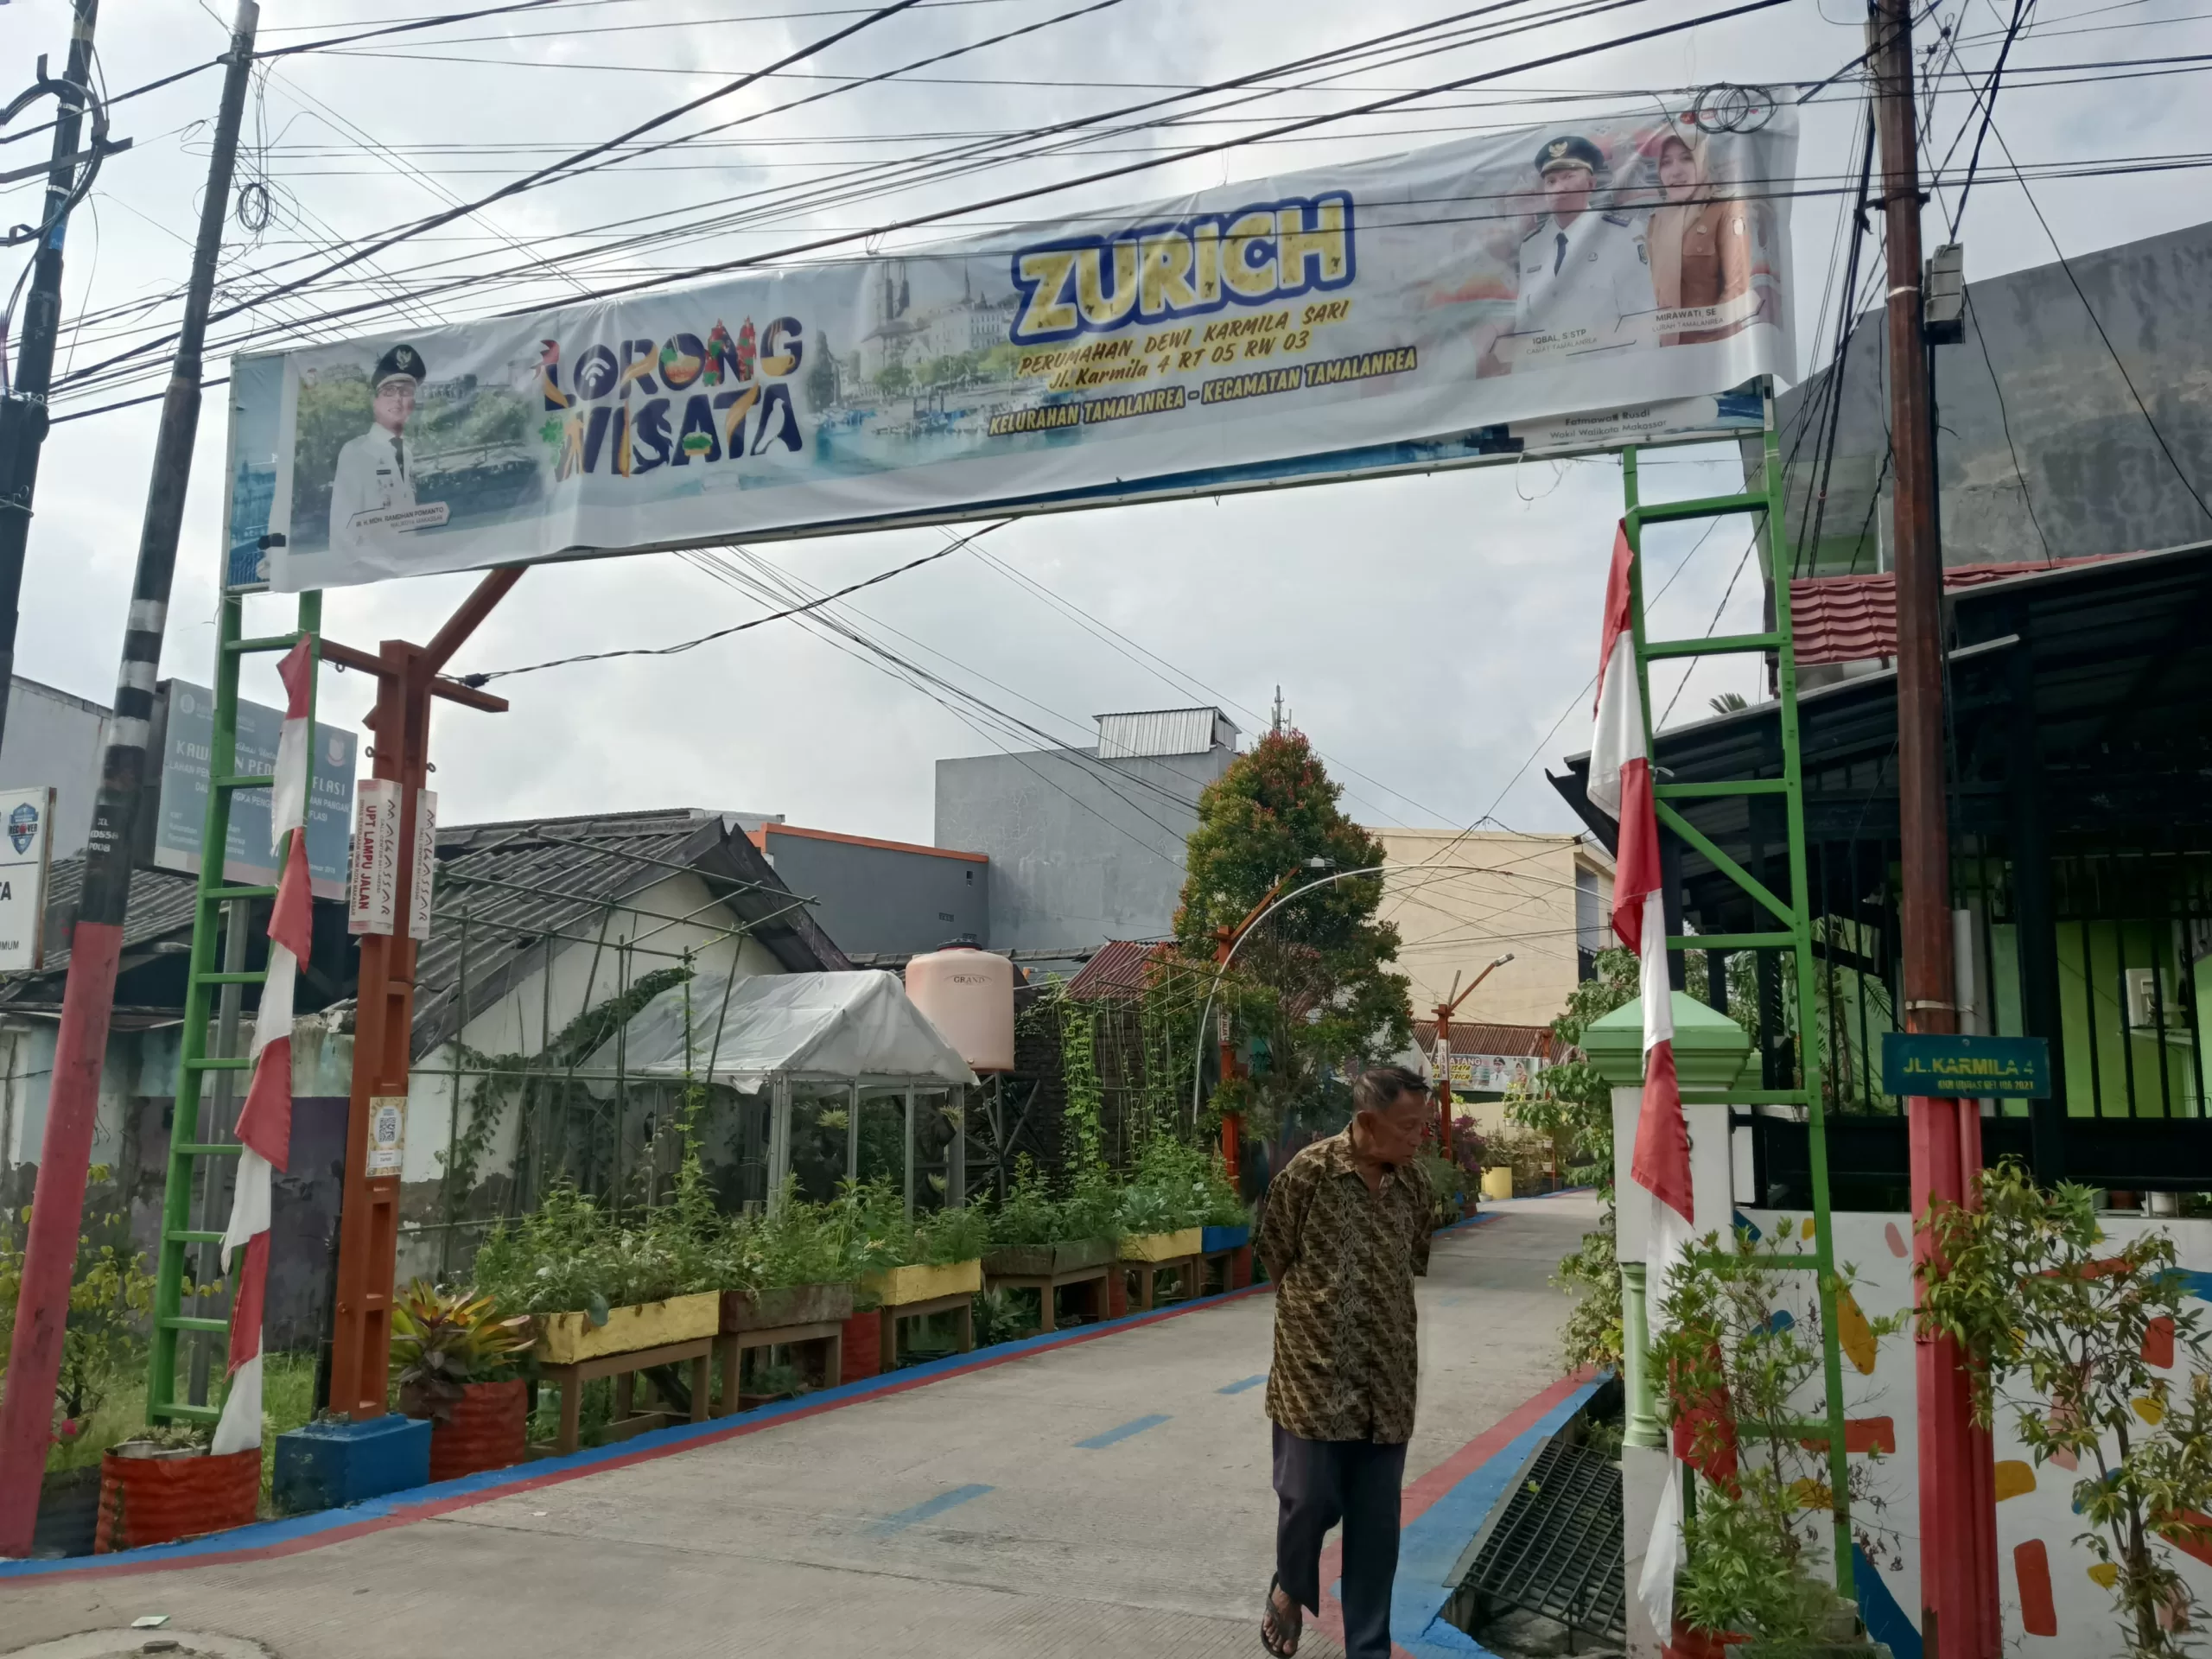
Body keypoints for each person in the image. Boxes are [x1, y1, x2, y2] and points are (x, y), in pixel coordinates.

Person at [1257, 1065, 1434, 1659]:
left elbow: (1412, 1259)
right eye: (1407, 1127)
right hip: (1314, 1372)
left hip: (1387, 1379)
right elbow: (1275, 1255)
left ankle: (1368, 1648)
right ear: (1365, 1122)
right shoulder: (1309, 1173)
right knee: (1307, 1499)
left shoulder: (1415, 1185)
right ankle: (1291, 1583)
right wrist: (1320, 1316)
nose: (1418, 1139)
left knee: (1375, 1526)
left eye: (1423, 1127)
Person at [1507, 135, 1657, 359]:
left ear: (1591, 184)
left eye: (1569, 176)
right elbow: (1524, 326)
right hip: (1547, 380)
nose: (1560, 187)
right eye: (1551, 181)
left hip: (1606, 377)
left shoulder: (1623, 234)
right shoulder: (1531, 246)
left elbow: (1642, 320)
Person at [1644, 128, 1758, 346]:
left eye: (1686, 158)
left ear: (1703, 161)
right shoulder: (1656, 221)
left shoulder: (1725, 210)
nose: (1675, 171)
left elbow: (1736, 289)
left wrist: (1709, 347)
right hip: (1667, 350)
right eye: (1666, 162)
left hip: (1714, 349)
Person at [327, 343, 426, 556]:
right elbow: (342, 530)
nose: (398, 399)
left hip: (407, 568)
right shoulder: (356, 452)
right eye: (389, 391)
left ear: (414, 402)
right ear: (376, 402)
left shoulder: (407, 453)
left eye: (406, 391)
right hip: (371, 572)